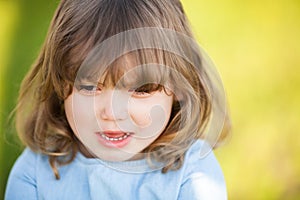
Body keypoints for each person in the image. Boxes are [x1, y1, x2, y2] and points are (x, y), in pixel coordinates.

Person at [5, 0, 231, 199]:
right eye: (90, 87)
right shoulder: (36, 172)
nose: (112, 113)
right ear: (59, 82)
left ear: (179, 85)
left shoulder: (192, 174)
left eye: (141, 89)